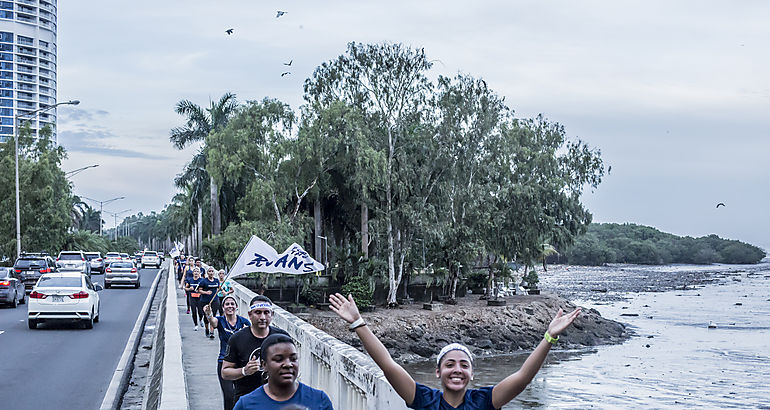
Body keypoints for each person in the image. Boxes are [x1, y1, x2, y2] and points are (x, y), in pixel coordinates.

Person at [328, 293, 581, 410]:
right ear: (437, 372)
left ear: (472, 374)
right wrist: (358, 323)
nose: (457, 370)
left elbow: (523, 378)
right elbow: (388, 364)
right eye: (450, 364)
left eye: (464, 365)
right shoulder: (425, 400)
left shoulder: (483, 402)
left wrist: (549, 337)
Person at [233, 334, 333, 410]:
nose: (288, 364)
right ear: (264, 365)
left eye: (293, 359)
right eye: (279, 359)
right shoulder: (245, 404)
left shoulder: (319, 400)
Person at [222, 296, 289, 404]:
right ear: (250, 315)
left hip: (277, 399)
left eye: (266, 312)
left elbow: (293, 366)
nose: (262, 317)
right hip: (247, 400)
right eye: (258, 312)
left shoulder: (282, 338)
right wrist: (244, 371)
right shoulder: (237, 339)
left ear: (272, 315)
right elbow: (225, 372)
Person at [204, 295, 251, 410]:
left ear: (236, 307)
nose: (230, 306)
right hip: (224, 363)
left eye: (232, 304)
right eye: (227, 304)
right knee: (229, 395)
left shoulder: (244, 322)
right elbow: (213, 322)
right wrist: (208, 313)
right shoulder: (220, 321)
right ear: (223, 307)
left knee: (242, 395)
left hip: (241, 364)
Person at [198, 266, 221, 339]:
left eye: (212, 271)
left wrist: (220, 290)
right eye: (209, 271)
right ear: (207, 273)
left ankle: (212, 332)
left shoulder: (216, 280)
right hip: (205, 301)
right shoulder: (203, 281)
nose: (211, 273)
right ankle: (207, 329)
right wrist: (206, 292)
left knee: (212, 316)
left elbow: (218, 288)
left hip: (214, 300)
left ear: (214, 273)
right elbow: (199, 290)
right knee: (206, 316)